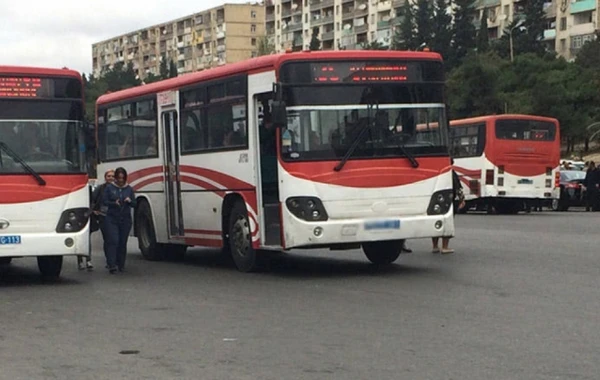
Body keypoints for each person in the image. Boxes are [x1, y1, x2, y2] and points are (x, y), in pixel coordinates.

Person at [102, 167, 136, 274]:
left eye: (123, 178)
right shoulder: (110, 188)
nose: (121, 180)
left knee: (122, 242)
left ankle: (121, 264)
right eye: (119, 178)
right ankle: (112, 264)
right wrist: (113, 203)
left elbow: (135, 204)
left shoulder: (129, 189)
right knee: (113, 240)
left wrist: (129, 201)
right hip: (112, 218)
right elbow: (104, 201)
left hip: (125, 219)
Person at [79, 169, 115, 270]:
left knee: (109, 239)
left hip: (111, 216)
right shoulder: (100, 188)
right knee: (86, 238)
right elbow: (92, 200)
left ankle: (111, 261)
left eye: (112, 176)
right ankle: (85, 260)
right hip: (98, 215)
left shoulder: (118, 188)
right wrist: (93, 211)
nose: (111, 178)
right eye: (109, 176)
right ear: (105, 177)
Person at [432, 161, 464, 254]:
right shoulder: (451, 173)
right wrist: (462, 199)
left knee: (436, 221)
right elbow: (458, 187)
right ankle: (445, 247)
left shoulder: (437, 172)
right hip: (449, 201)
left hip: (436, 200)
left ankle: (435, 246)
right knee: (447, 223)